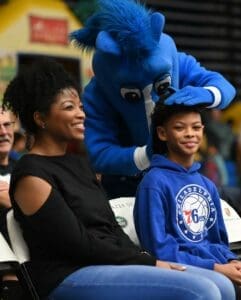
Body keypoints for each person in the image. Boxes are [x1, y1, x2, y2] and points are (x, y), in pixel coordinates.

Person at [2, 58, 236, 300]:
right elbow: (78, 244)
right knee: (202, 290)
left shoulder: (80, 164)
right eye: (69, 107)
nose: (82, 114)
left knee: (222, 285)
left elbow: (111, 228)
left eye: (81, 107)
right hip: (65, 276)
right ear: (41, 119)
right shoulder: (31, 173)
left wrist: (145, 261)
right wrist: (149, 262)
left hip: (108, 266)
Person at [70, 0, 236, 199]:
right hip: (127, 188)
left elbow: (223, 86)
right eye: (132, 95)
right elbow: (99, 153)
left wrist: (209, 93)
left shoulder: (176, 61)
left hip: (181, 176)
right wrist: (145, 156)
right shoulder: (98, 92)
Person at [133, 102, 241, 298]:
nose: (190, 133)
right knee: (221, 287)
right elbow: (159, 249)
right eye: (179, 127)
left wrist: (231, 261)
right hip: (179, 270)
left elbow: (218, 241)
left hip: (215, 266)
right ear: (162, 133)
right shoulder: (154, 182)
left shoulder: (207, 185)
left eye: (196, 127)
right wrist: (216, 268)